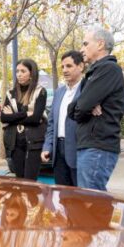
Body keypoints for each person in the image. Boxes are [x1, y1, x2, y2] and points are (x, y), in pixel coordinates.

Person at [68, 28, 124, 192]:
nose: (81, 49)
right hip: (91, 146)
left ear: (100, 44)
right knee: (91, 203)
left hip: (98, 146)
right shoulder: (94, 72)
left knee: (90, 203)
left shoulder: (108, 70)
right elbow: (73, 109)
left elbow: (80, 109)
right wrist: (84, 105)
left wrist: (84, 105)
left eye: (85, 44)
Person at [41, 50, 84, 186]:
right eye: (63, 67)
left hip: (79, 152)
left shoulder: (87, 90)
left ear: (81, 66)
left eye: (69, 66)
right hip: (58, 153)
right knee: (62, 197)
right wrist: (47, 146)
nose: (65, 70)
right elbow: (51, 124)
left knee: (81, 198)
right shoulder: (59, 92)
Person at [0, 58, 47, 181]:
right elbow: (4, 118)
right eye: (17, 71)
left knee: (30, 181)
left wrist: (13, 117)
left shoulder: (40, 91)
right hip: (15, 142)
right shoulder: (11, 93)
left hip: (34, 141)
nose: (19, 74)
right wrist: (26, 113)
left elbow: (36, 119)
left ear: (31, 73)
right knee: (20, 180)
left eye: (23, 71)